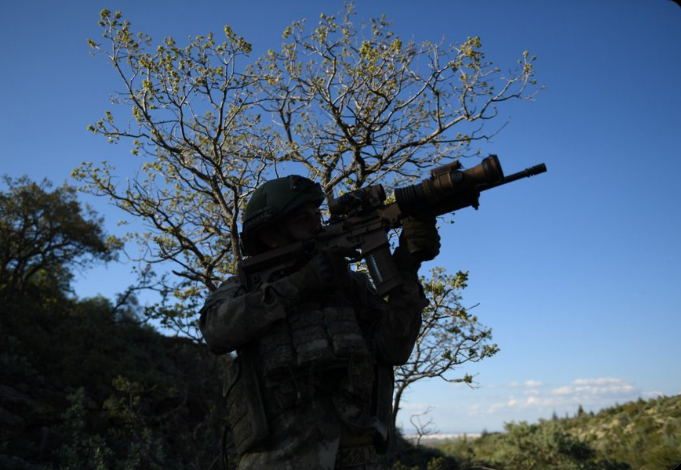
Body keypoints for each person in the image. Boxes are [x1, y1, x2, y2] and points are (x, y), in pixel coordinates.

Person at [199, 175, 440, 469]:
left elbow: (394, 349)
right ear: (270, 236)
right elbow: (215, 331)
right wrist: (299, 283)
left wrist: (406, 268)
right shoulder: (245, 287)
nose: (316, 225)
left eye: (318, 215)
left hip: (356, 459)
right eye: (302, 219)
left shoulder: (350, 286)